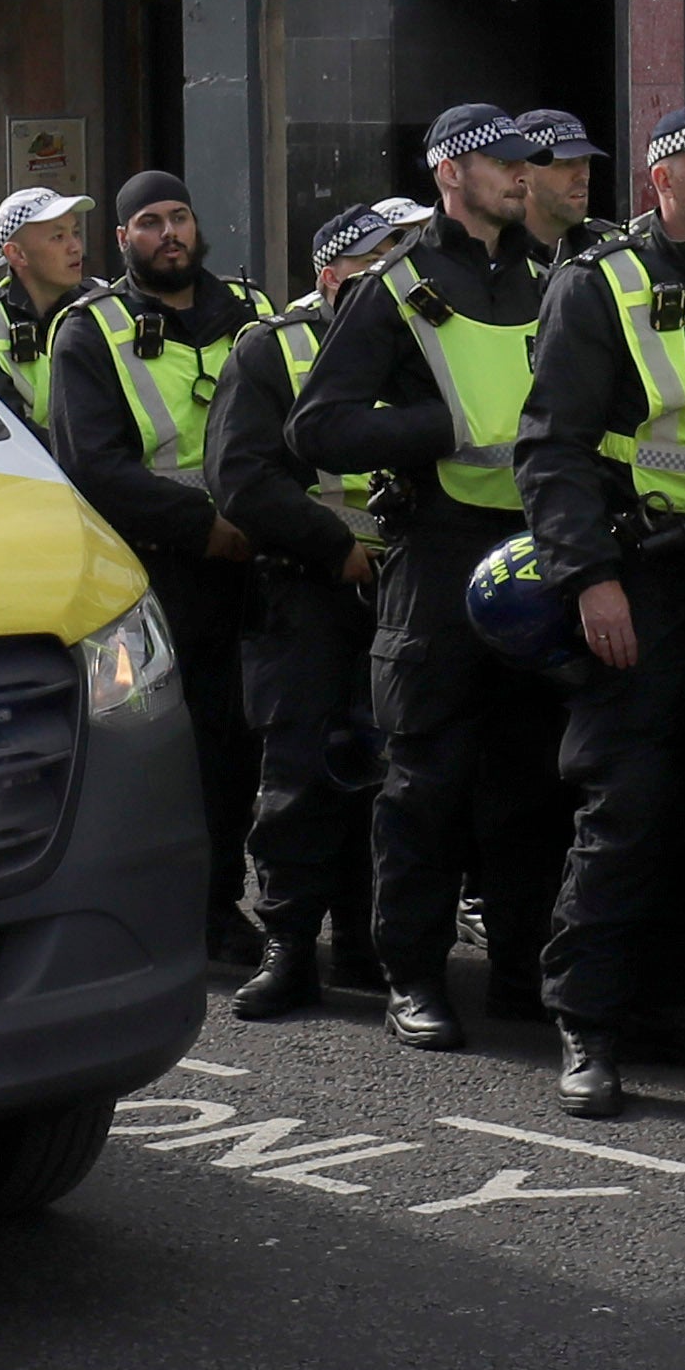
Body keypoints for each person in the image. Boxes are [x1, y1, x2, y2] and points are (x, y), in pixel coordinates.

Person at [291, 105, 571, 1047]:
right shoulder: (398, 286)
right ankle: (413, 974)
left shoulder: (553, 274)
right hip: (440, 554)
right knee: (426, 780)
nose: (518, 176)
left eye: (523, 163)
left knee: (530, 783)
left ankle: (525, 972)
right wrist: (434, 431)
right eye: (500, 163)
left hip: (537, 554)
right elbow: (316, 428)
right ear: (450, 172)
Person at [520, 105, 685, 1117]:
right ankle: (588, 1024)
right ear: (663, 182)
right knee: (624, 811)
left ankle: (673, 1007)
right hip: (638, 572)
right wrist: (586, 577)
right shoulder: (602, 284)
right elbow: (552, 446)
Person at [44, 170, 273, 964]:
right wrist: (203, 527)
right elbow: (94, 465)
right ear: (123, 239)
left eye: (180, 215)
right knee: (167, 751)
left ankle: (228, 904)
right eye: (149, 221)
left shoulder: (251, 312)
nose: (169, 232)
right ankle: (169, 910)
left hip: (259, 563)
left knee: (244, 747)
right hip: (156, 574)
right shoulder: (88, 332)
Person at [219, 197, 433, 1019]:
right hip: (307, 592)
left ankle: (369, 942)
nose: (394, 270)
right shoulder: (271, 350)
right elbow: (242, 476)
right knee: (302, 777)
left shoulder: (420, 341)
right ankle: (289, 947)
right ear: (330, 271)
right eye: (379, 256)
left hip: (402, 588)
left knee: (390, 776)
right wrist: (331, 546)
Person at [0, 186, 94, 431]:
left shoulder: (101, 304)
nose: (76, 247)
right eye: (58, 237)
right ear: (17, 254)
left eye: (76, 233)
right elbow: (8, 426)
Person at [517, 109, 621, 260]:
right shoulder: (494, 251)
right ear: (523, 171)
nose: (583, 175)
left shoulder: (612, 246)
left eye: (586, 160)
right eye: (566, 163)